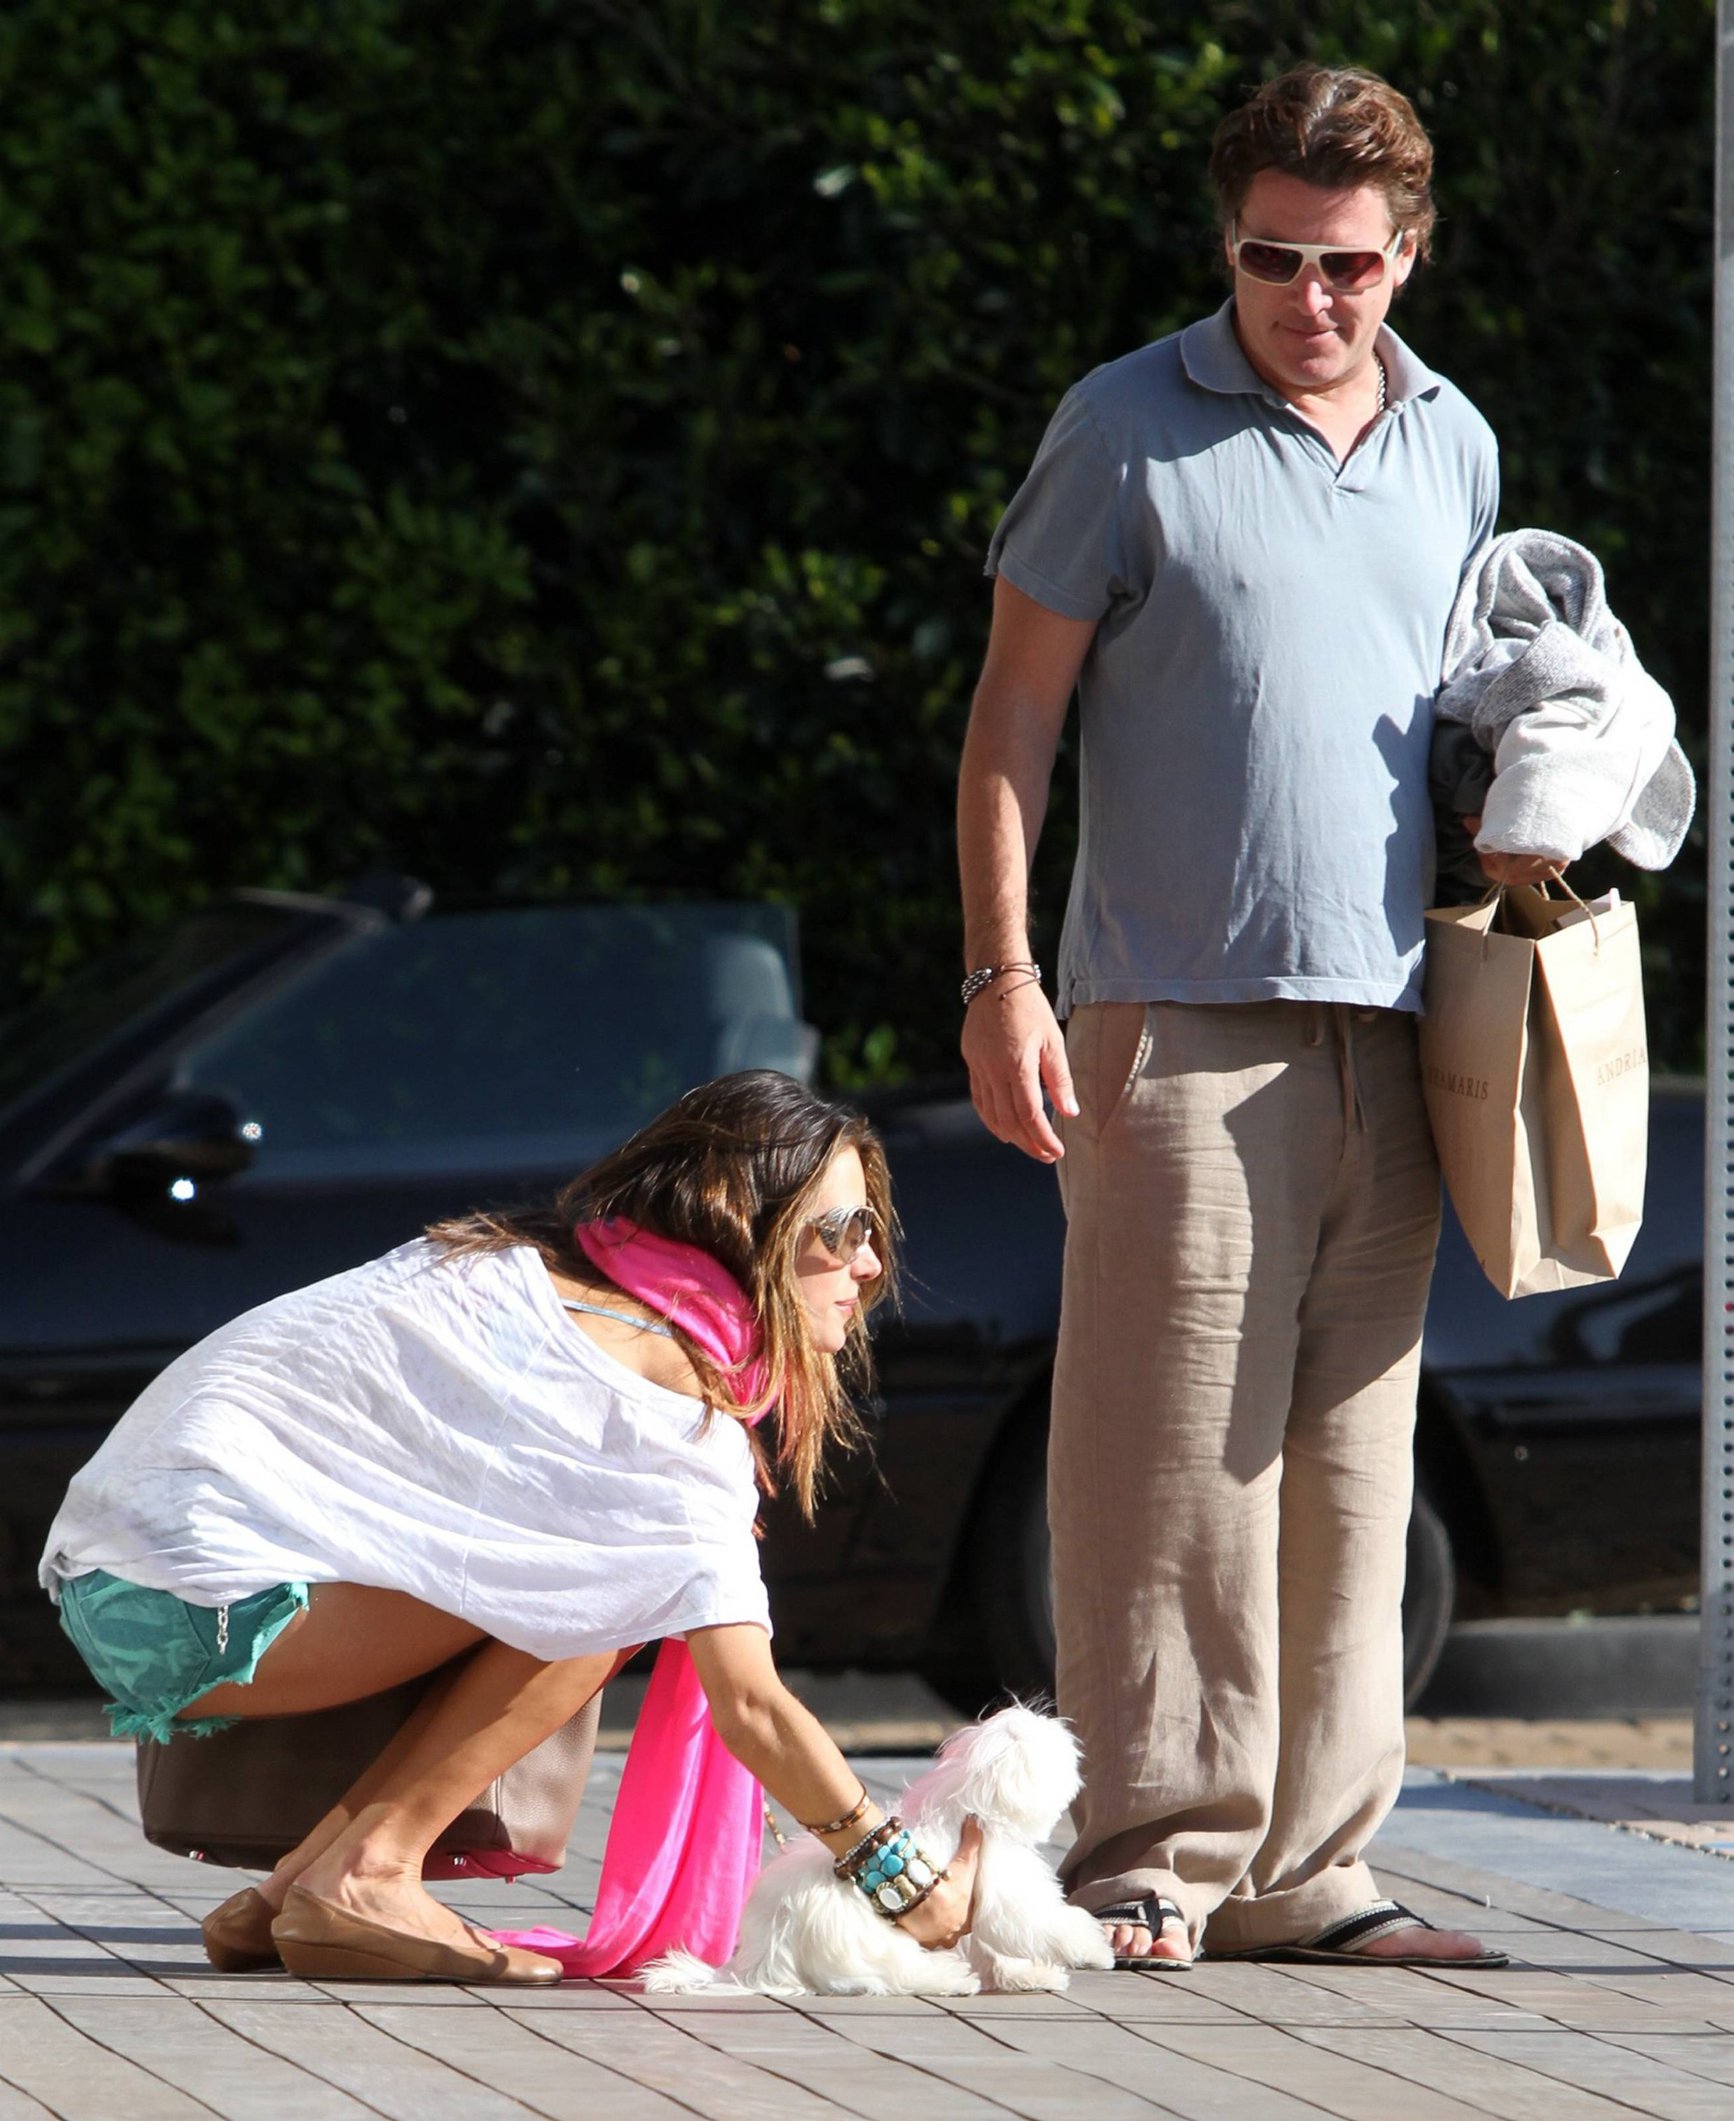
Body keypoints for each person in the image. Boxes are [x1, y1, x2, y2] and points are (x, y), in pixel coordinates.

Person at [957, 65, 1551, 1968]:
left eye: (1350, 266)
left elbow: (1459, 726)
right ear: (1224, 244)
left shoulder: (1453, 438)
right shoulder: (1122, 426)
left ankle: (1313, 1873)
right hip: (1167, 1016)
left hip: (1394, 1016)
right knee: (1159, 1459)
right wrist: (999, 978)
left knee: (1352, 1460)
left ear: (1410, 252)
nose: (1311, 298)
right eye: (1272, 259)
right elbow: (1006, 730)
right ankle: (1148, 1854)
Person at [40, 1069, 979, 1983]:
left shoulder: (524, 1264)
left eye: (875, 1230)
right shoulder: (663, 1398)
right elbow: (752, 1705)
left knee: (577, 1562)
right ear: (750, 1229)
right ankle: (364, 1875)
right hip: (197, 1605)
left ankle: (300, 1884)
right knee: (612, 1585)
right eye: (841, 1229)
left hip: (110, 1582)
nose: (869, 1263)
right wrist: (908, 1884)